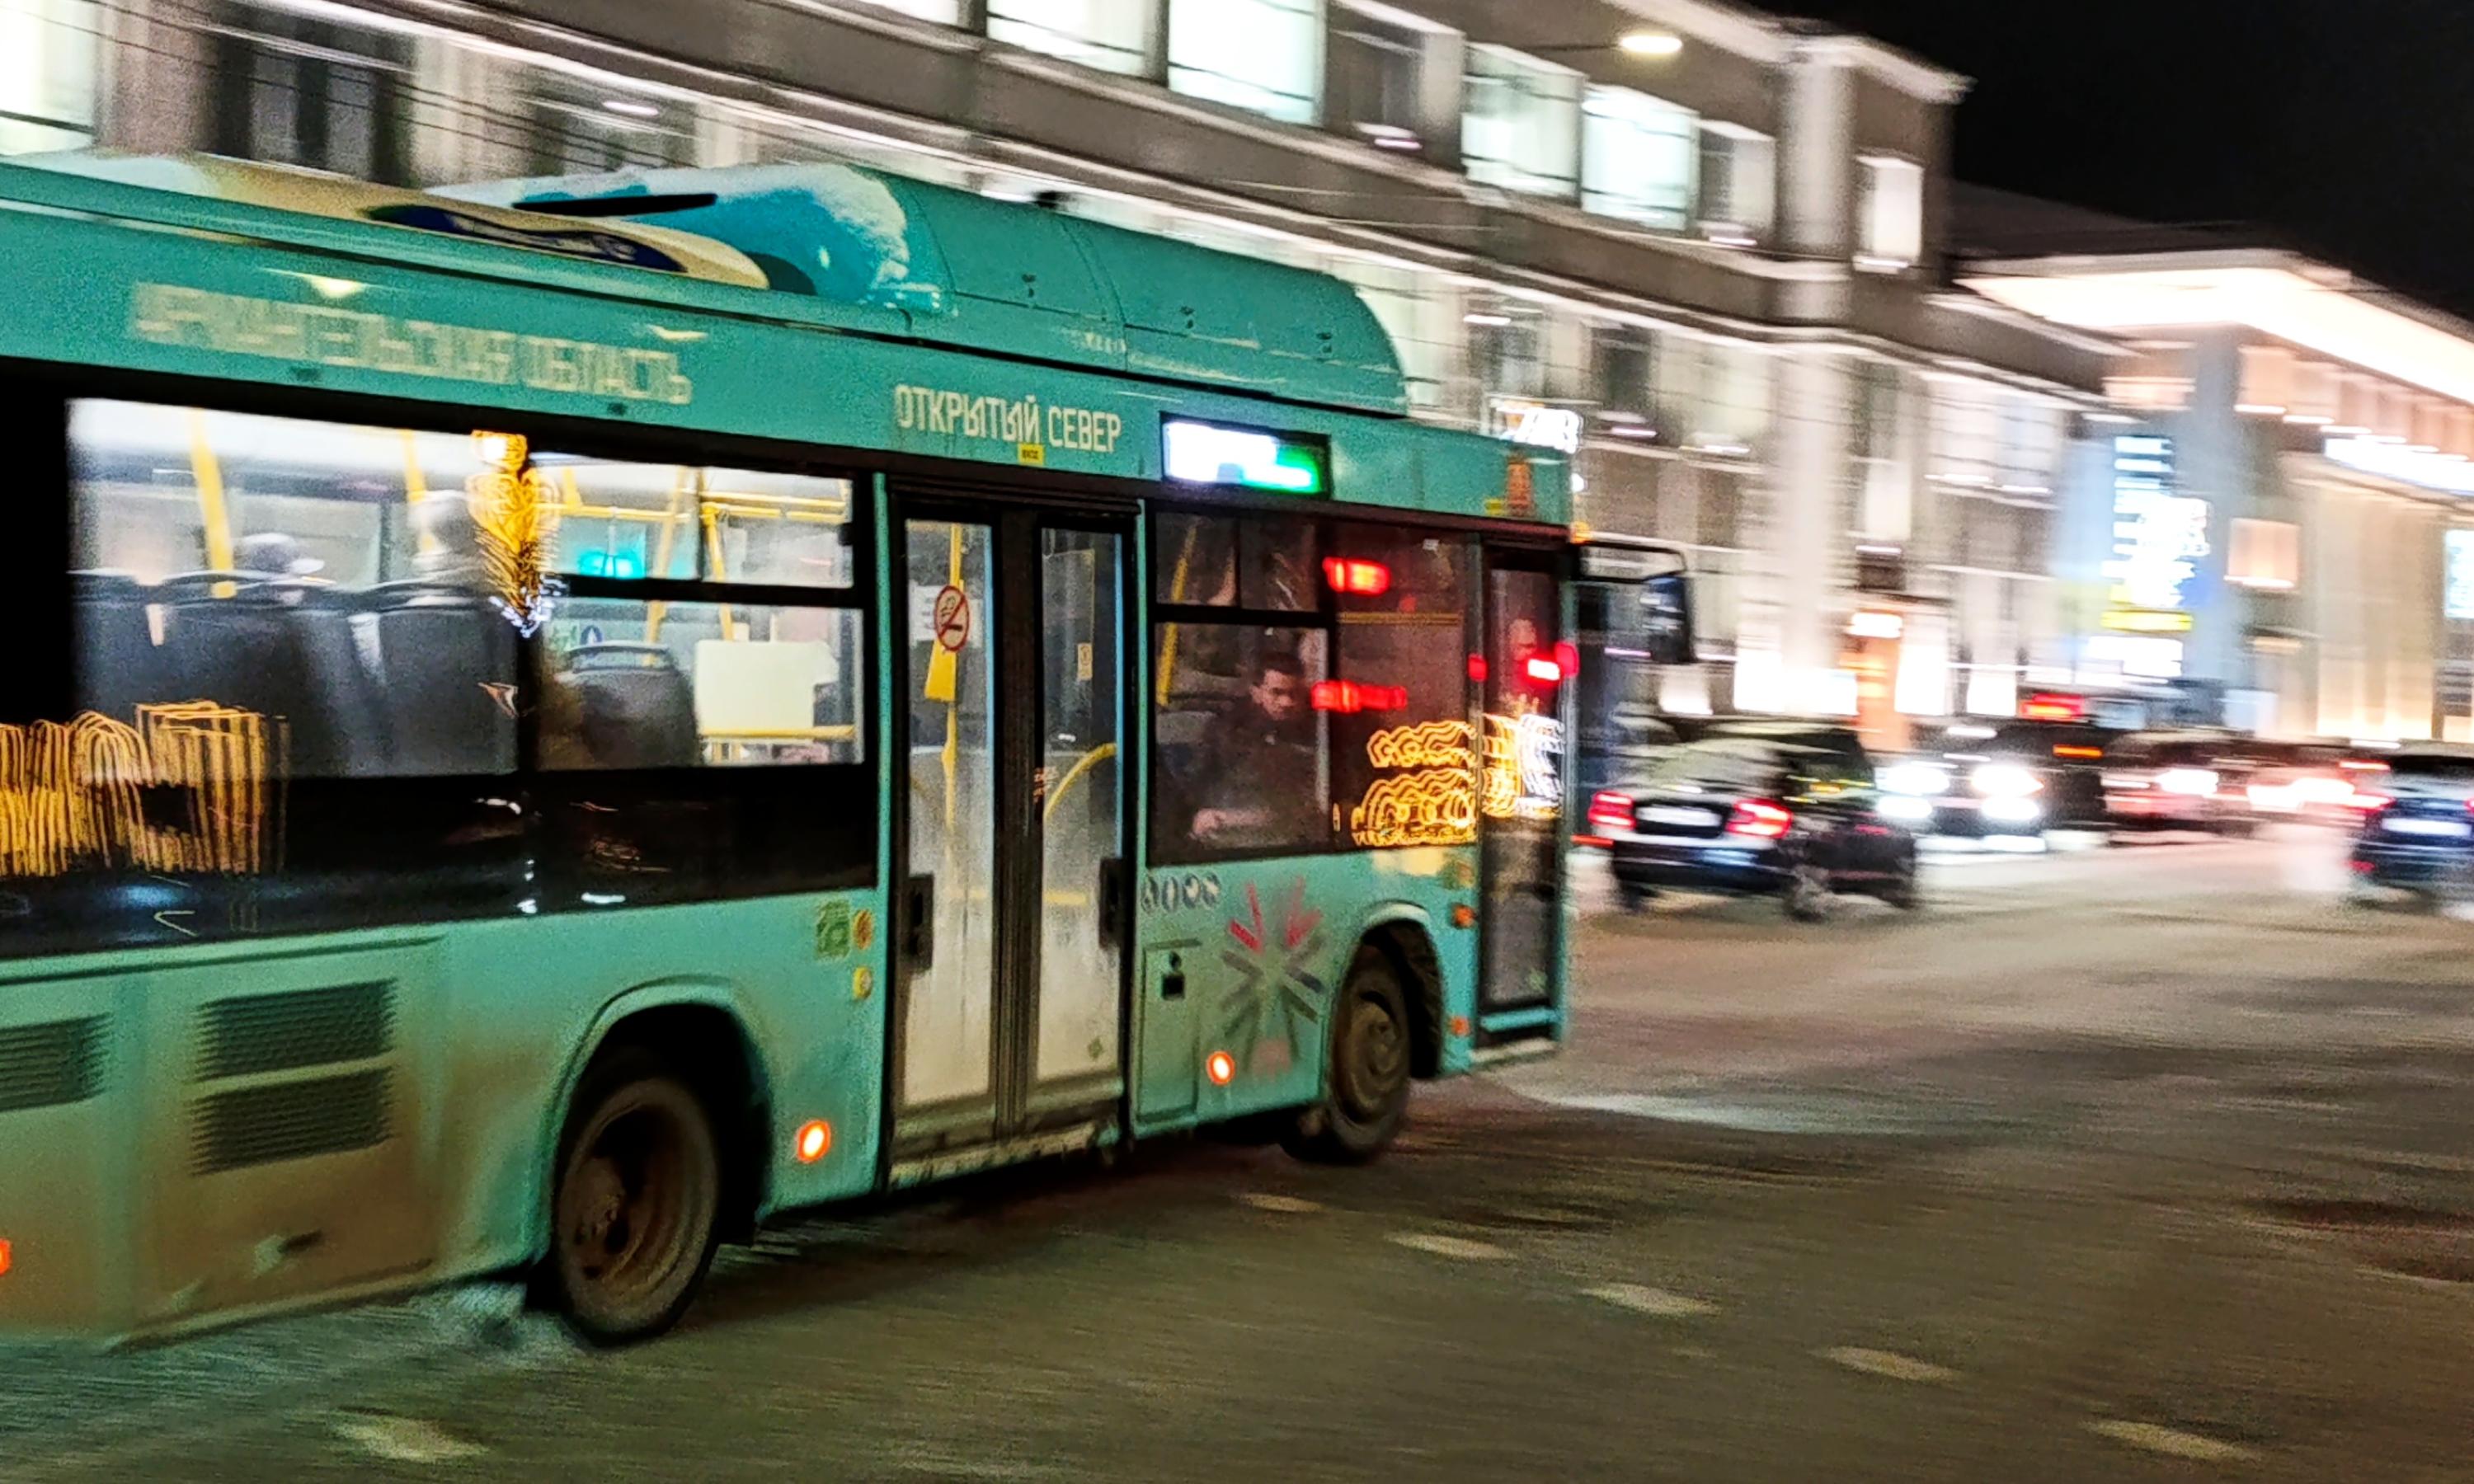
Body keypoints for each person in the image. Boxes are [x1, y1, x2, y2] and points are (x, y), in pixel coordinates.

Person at [1188, 646, 1321, 850]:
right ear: (1256, 693)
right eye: (1277, 693)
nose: (1287, 702)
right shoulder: (1228, 732)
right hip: (1231, 834)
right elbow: (1200, 782)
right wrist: (1201, 816)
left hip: (1298, 837)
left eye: (1294, 694)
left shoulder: (1320, 733)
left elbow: (1303, 805)